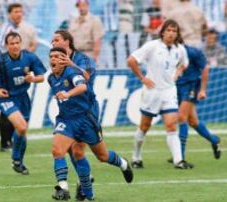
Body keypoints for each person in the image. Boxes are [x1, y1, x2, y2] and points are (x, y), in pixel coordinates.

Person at [48, 47, 133, 201]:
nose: (53, 59)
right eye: (51, 56)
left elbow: (82, 86)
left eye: (57, 56)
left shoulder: (72, 73)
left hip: (86, 120)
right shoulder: (51, 78)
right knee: (57, 150)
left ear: (64, 60)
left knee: (102, 155)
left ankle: (123, 163)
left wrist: (67, 93)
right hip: (66, 119)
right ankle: (64, 188)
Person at [127, 19, 193, 169]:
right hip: (152, 92)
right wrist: (142, 78)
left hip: (169, 91)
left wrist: (177, 73)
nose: (171, 33)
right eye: (168, 30)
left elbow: (184, 63)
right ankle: (136, 157)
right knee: (144, 126)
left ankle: (178, 161)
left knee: (171, 125)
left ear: (177, 34)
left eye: (174, 31)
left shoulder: (180, 49)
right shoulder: (152, 46)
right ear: (162, 32)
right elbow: (131, 60)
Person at [0, 32, 46, 175]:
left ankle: (18, 162)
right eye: (12, 44)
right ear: (6, 46)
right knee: (22, 127)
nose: (15, 46)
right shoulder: (0, 61)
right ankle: (15, 158)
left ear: (20, 43)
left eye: (17, 43)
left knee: (22, 131)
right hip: (7, 98)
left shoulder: (29, 57)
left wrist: (33, 79)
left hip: (23, 98)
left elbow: (42, 77)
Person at [51, 29, 97, 201]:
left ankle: (86, 181)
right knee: (65, 148)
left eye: (56, 40)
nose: (53, 43)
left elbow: (86, 79)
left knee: (95, 153)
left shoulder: (83, 59)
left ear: (67, 41)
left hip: (88, 109)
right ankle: (77, 184)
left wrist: (71, 65)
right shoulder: (55, 62)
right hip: (70, 113)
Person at [0, 3, 38, 152]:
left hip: (17, 71)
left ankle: (8, 141)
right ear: (9, 14)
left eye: (20, 12)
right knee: (7, 104)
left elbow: (32, 45)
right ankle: (5, 142)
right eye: (16, 12)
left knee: (12, 104)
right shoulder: (7, 29)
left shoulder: (21, 28)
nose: (19, 14)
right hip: (7, 72)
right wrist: (5, 64)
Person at [176, 45, 221, 162]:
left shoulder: (192, 51)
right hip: (177, 87)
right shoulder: (166, 51)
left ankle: (180, 157)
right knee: (193, 121)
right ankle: (214, 140)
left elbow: (205, 68)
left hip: (191, 86)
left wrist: (202, 90)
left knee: (182, 118)